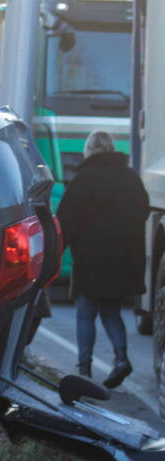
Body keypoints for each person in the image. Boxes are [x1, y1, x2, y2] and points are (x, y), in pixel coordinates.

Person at [57, 130, 150, 388]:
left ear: (88, 150)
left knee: (85, 313)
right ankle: (121, 359)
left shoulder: (84, 179)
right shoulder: (130, 177)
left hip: (91, 258)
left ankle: (84, 370)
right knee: (111, 311)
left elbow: (66, 220)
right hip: (123, 257)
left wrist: (57, 250)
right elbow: (143, 210)